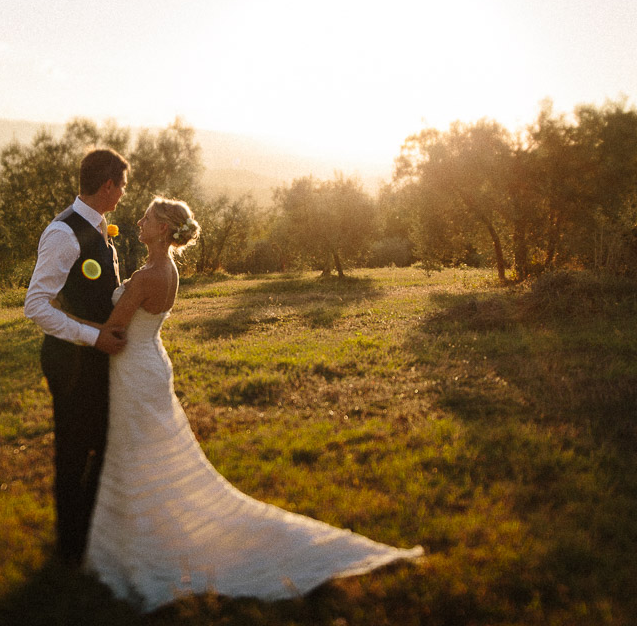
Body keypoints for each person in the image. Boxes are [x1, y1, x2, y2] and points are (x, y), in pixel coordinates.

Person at [79, 196, 424, 611]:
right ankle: (147, 534)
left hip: (135, 369)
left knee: (136, 456)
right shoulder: (166, 270)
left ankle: (143, 547)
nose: (139, 220)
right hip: (150, 364)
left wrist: (62, 320)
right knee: (147, 457)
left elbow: (114, 331)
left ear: (166, 228)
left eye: (148, 217)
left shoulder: (147, 276)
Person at [23, 147, 130, 565]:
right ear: (108, 186)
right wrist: (92, 336)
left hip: (96, 358)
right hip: (70, 362)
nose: (123, 195)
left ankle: (93, 536)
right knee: (74, 450)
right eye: (121, 187)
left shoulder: (101, 228)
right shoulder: (63, 233)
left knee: (104, 443)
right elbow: (36, 305)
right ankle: (70, 551)